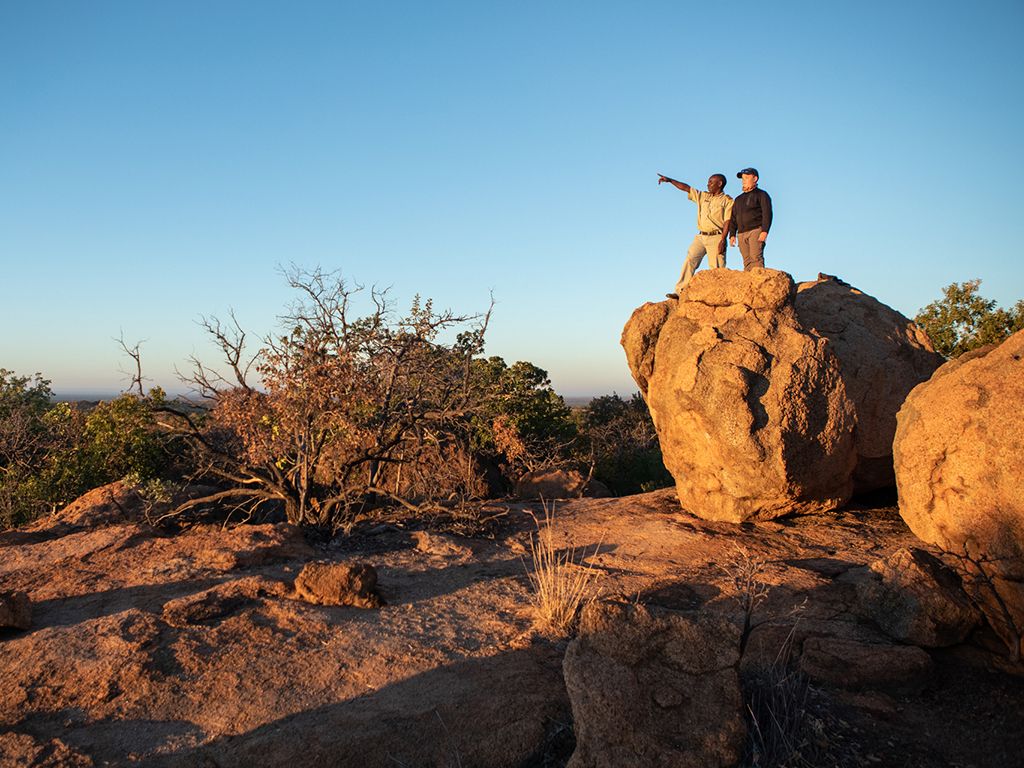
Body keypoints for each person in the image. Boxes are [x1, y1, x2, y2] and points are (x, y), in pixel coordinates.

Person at [658, 172, 734, 298]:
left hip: (716, 236)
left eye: (711, 182)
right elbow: (686, 188)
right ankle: (680, 291)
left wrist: (723, 240)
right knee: (690, 260)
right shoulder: (703, 196)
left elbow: (727, 221)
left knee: (716, 267)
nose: (708, 184)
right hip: (700, 236)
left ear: (719, 184)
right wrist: (670, 180)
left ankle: (717, 294)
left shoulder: (727, 201)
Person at [728, 167, 772, 270]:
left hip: (756, 230)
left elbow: (767, 213)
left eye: (747, 178)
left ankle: (759, 284)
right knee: (746, 261)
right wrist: (732, 234)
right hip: (741, 233)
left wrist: (764, 231)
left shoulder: (761, 194)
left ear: (755, 178)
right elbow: (733, 217)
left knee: (755, 258)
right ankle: (749, 285)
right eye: (742, 179)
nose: (744, 181)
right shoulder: (738, 199)